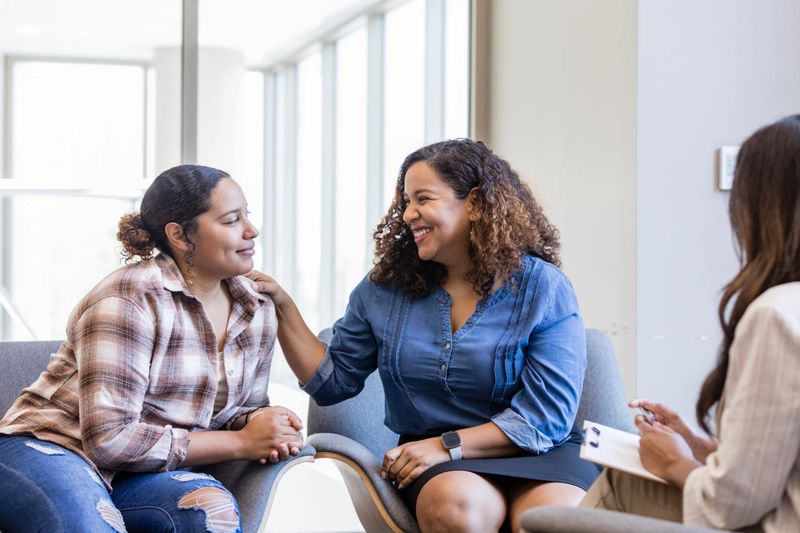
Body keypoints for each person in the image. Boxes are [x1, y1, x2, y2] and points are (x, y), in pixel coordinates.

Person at [256, 139, 599, 532]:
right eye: (406, 201)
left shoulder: (544, 287)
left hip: (539, 452)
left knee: (551, 520)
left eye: (423, 199)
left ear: (474, 203)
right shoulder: (385, 289)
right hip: (438, 463)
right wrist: (282, 305)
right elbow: (332, 382)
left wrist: (445, 445)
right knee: (459, 509)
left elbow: (546, 418)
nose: (407, 214)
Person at [0, 165, 304, 533]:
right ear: (179, 235)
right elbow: (109, 440)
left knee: (212, 512)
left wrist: (265, 423)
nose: (251, 230)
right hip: (53, 448)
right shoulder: (129, 299)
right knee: (89, 523)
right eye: (230, 220)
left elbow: (239, 410)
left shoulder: (255, 306)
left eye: (247, 216)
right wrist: (241, 442)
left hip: (141, 472)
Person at [581, 115, 800, 532]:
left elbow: (734, 504)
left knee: (621, 483)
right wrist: (702, 449)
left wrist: (674, 462)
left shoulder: (776, 315)